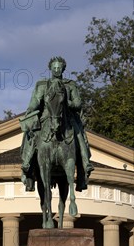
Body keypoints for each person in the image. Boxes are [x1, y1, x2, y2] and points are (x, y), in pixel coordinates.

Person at [20, 56, 93, 192]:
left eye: (59, 68)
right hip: (46, 118)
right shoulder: (42, 85)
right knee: (29, 135)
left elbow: (78, 103)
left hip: (67, 118)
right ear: (50, 69)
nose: (57, 70)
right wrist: (30, 111)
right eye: (55, 68)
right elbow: (35, 101)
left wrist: (67, 103)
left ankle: (85, 165)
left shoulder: (70, 85)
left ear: (63, 69)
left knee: (80, 135)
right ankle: (27, 165)